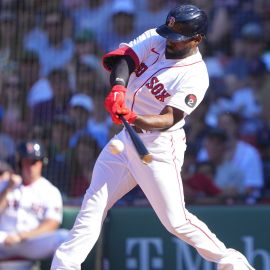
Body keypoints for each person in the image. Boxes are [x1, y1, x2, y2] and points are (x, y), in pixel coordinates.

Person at [51, 4, 255, 270]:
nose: (169, 41)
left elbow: (170, 118)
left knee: (176, 221)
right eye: (169, 33)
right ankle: (64, 266)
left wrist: (134, 117)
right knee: (94, 203)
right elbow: (125, 59)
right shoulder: (158, 38)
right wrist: (118, 89)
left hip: (158, 147)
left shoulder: (195, 74)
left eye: (178, 38)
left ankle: (234, 264)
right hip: (125, 141)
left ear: (197, 39)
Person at [0, 140, 69, 266]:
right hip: (4, 239)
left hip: (31, 241)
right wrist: (7, 189)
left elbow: (52, 224)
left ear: (42, 163)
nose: (30, 166)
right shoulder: (5, 185)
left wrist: (22, 236)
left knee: (64, 237)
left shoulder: (50, 191)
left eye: (34, 162)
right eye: (26, 161)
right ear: (20, 163)